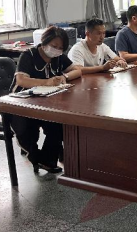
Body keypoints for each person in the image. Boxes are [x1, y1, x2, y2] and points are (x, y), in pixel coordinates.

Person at [10, 26, 82, 173]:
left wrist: (64, 76)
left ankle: (48, 160)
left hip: (46, 101)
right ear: (44, 42)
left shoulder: (58, 57)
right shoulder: (28, 55)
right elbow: (21, 80)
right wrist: (46, 82)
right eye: (54, 46)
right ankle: (34, 154)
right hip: (21, 102)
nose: (56, 50)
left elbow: (77, 70)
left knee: (59, 123)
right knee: (28, 130)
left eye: (60, 48)